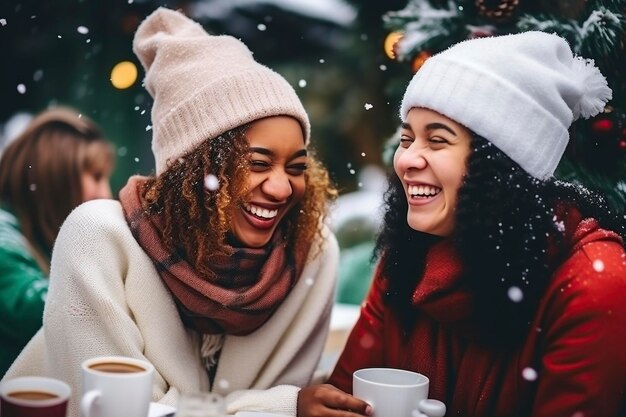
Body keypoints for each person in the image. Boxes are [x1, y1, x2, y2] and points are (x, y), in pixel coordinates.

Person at [3, 7, 340, 417]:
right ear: (196, 168)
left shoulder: (311, 256)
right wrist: (283, 408)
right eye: (257, 163)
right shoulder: (97, 237)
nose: (282, 187)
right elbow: (118, 411)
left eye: (297, 167)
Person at [300, 31, 626, 416]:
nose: (405, 160)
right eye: (407, 139)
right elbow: (347, 394)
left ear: (499, 165)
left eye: (437, 141)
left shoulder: (594, 284)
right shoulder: (407, 258)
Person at [0, 107, 115, 377]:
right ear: (56, 178)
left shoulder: (39, 236)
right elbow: (39, 309)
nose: (107, 193)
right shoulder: (4, 234)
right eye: (96, 177)